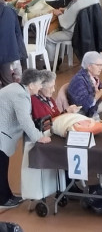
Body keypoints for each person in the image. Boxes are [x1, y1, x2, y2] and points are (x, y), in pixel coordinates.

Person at [0, 68, 52, 207]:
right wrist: (38, 137)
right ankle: (3, 200)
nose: (41, 86)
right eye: (40, 83)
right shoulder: (20, 95)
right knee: (1, 167)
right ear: (31, 85)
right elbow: (24, 120)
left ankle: (7, 196)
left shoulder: (19, 89)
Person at [46, 0, 98, 65]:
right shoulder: (90, 0)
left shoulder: (76, 5)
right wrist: (66, 10)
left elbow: (65, 24)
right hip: (89, 31)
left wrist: (58, 14)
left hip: (75, 33)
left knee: (48, 39)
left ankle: (51, 63)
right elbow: (75, 13)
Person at [66, 51, 102, 117]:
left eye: (101, 65)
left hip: (92, 109)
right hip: (84, 115)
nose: (101, 68)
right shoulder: (79, 80)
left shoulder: (93, 77)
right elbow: (86, 104)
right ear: (89, 66)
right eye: (98, 65)